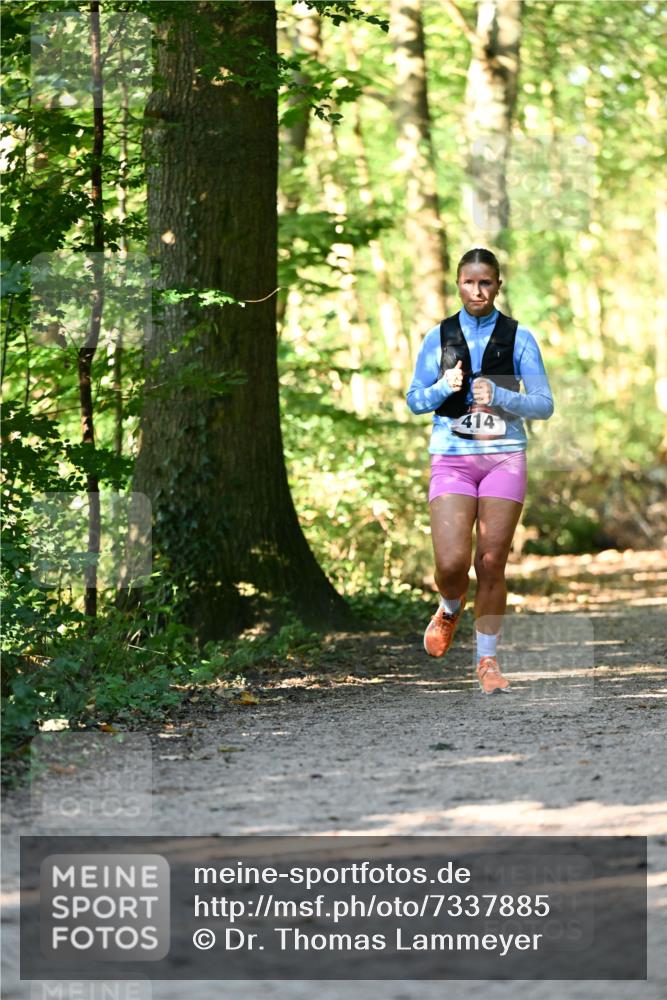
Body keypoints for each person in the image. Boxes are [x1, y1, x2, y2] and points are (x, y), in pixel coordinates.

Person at [406, 248, 554, 694]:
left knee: (491, 562)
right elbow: (414, 400)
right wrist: (440, 388)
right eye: (469, 282)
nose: (477, 290)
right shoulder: (439, 337)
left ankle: (487, 660)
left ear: (498, 285)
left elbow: (544, 404)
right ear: (458, 284)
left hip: (504, 456)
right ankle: (450, 605)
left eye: (486, 282)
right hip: (452, 458)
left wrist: (504, 397)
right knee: (451, 563)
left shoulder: (519, 337)